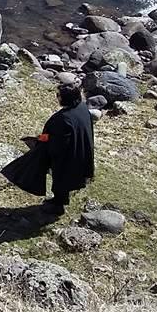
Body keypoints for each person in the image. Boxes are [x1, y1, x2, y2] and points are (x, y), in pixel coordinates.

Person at [38, 83, 95, 214]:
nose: (57, 97)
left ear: (65, 99)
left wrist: (40, 140)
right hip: (82, 150)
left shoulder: (63, 118)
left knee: (61, 179)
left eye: (58, 95)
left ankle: (58, 206)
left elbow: (57, 142)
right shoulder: (82, 108)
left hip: (68, 156)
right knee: (69, 178)